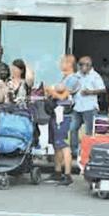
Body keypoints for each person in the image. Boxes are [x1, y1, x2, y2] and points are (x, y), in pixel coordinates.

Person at [45, 55, 80, 186]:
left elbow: (63, 96)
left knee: (64, 145)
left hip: (65, 116)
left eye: (62, 62)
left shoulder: (73, 79)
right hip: (57, 113)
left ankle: (67, 174)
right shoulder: (64, 78)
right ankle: (57, 171)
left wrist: (50, 91)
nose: (60, 64)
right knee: (56, 144)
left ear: (69, 64)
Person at [72, 56, 106, 155]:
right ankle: (74, 150)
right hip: (77, 106)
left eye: (86, 65)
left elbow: (103, 90)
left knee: (89, 131)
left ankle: (87, 151)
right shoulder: (76, 75)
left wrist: (90, 92)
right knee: (73, 128)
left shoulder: (95, 76)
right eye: (81, 64)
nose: (84, 67)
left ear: (90, 66)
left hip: (89, 107)